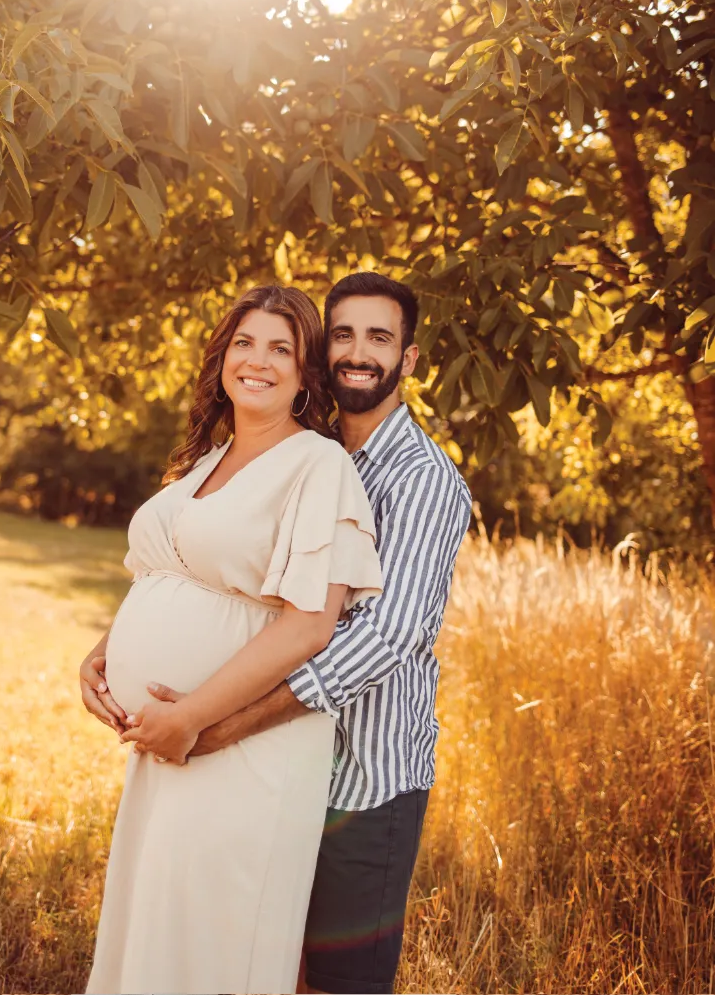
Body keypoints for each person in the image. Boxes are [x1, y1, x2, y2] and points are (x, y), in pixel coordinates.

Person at [84, 271, 472, 995]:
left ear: (408, 359)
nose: (358, 351)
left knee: (332, 979)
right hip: (262, 750)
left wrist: (216, 722)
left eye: (379, 337)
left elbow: (383, 636)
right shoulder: (302, 450)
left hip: (364, 771)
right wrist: (112, 649)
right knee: (247, 947)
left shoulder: (418, 478)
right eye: (345, 335)